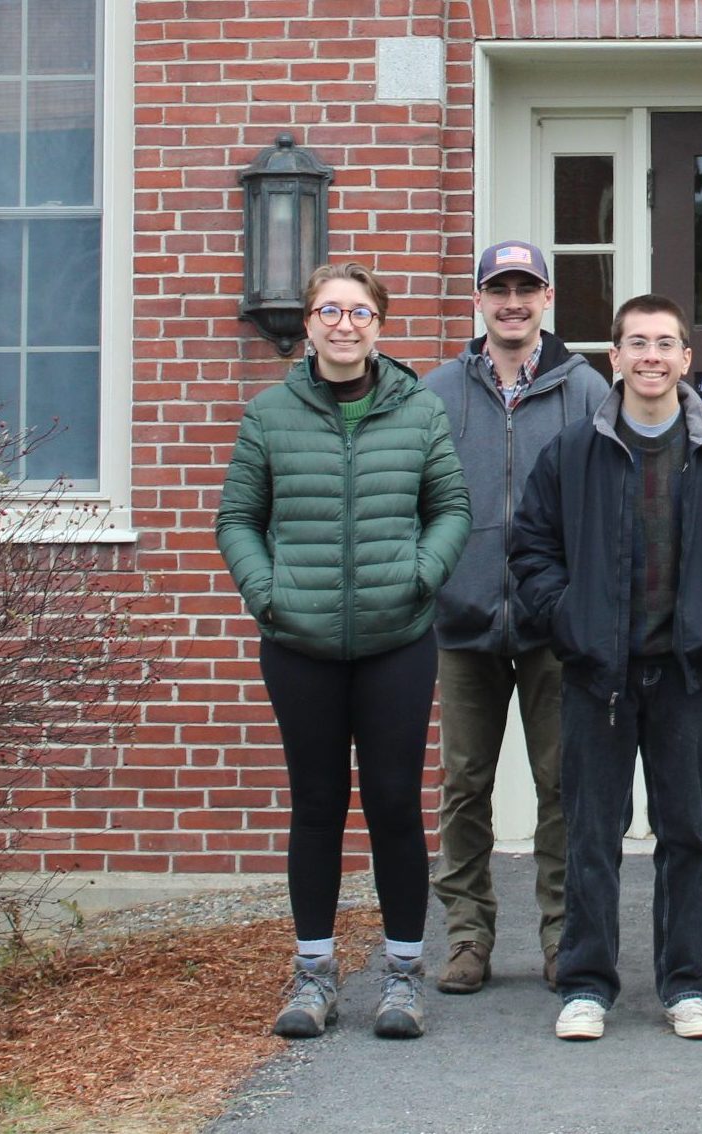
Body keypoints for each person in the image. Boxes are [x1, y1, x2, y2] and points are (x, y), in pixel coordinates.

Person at [510, 294, 702, 1042]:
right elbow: (532, 549)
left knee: (688, 834)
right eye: (638, 343)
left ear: (687, 359)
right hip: (597, 675)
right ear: (615, 357)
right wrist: (568, 620)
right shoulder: (571, 453)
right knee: (592, 836)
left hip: (687, 673)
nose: (652, 356)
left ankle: (686, 982)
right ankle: (586, 985)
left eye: (666, 344)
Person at [216, 263, 471, 1041]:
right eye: (329, 310)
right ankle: (314, 975)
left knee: (394, 803)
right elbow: (237, 519)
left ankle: (402, 977)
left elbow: (451, 508)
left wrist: (421, 576)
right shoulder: (270, 413)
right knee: (318, 805)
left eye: (359, 312)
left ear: (378, 326)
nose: (344, 324)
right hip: (300, 642)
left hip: (397, 642)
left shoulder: (419, 411)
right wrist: (268, 594)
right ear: (309, 325)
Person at [422, 240, 607, 996]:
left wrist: (579, 600)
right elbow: (414, 498)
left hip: (551, 624)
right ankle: (468, 935)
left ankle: (563, 936)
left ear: (547, 298)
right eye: (498, 289)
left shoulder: (585, 390)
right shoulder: (437, 391)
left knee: (561, 785)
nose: (512, 303)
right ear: (479, 300)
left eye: (525, 289)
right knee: (465, 784)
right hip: (462, 620)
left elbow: (607, 501)